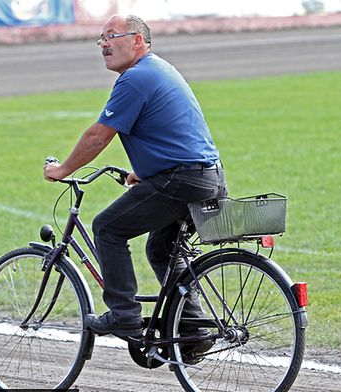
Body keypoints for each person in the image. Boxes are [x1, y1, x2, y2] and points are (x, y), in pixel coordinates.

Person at [44, 15, 227, 341]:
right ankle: (192, 329)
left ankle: (123, 315)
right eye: (100, 39)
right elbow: (174, 132)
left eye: (111, 36)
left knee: (107, 228)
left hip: (182, 180)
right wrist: (144, 172)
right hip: (206, 177)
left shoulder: (136, 78)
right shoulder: (159, 69)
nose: (103, 45)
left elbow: (98, 137)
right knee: (161, 249)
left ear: (138, 40)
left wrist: (62, 170)